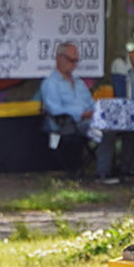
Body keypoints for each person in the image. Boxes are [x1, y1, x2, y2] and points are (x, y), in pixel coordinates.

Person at [38, 41, 109, 181]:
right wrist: (81, 114)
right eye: (71, 60)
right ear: (59, 59)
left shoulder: (79, 82)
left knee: (114, 128)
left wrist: (97, 111)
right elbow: (54, 109)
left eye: (76, 61)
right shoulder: (50, 83)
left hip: (89, 119)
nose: (74, 65)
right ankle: (103, 172)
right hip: (68, 124)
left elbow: (91, 103)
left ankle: (114, 169)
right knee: (105, 130)